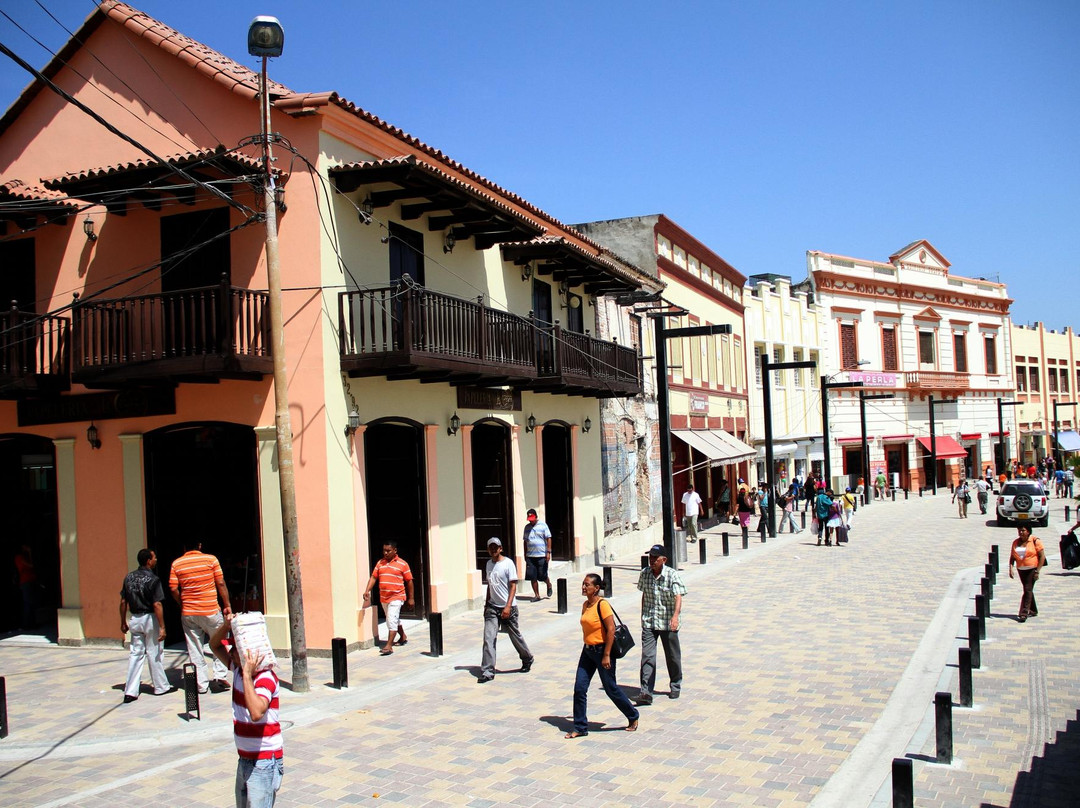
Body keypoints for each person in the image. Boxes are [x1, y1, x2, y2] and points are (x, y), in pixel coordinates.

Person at [210, 617, 284, 807]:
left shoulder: (265, 678)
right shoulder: (237, 670)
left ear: (245, 654)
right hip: (244, 759)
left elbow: (256, 712)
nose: (231, 652)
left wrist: (246, 675)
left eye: (235, 649)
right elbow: (214, 645)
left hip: (264, 762)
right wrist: (226, 626)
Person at [564, 573, 639, 739]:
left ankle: (633, 716)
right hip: (587, 651)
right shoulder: (585, 605)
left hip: (602, 651)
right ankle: (580, 726)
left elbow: (611, 629)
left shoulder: (602, 605)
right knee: (579, 688)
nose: (584, 587)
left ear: (596, 588)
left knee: (611, 688)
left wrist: (606, 655)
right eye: (583, 584)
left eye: (587, 585)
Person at [169, 538, 232, 694]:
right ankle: (219, 678)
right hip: (210, 609)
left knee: (194, 648)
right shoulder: (211, 560)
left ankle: (201, 684)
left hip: (189, 613)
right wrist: (227, 605)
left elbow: (172, 588)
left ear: (184, 547)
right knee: (219, 643)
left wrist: (181, 603)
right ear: (199, 545)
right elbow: (221, 583)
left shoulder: (176, 564)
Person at [119, 548, 175, 703]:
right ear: (148, 561)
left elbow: (123, 601)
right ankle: (160, 686)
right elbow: (157, 604)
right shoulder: (154, 580)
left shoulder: (129, 577)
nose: (156, 559)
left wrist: (122, 621)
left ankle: (130, 691)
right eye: (154, 557)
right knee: (154, 652)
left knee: (135, 654)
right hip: (150, 618)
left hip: (135, 618)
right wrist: (162, 626)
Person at [635, 544, 687, 704]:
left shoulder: (672, 575)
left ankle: (675, 684)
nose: (652, 561)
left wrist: (675, 616)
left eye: (655, 558)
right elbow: (644, 594)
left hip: (667, 621)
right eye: (650, 557)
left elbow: (678, 596)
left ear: (664, 560)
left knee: (672, 656)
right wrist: (643, 615)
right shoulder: (645, 574)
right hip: (650, 621)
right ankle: (646, 692)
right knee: (647, 656)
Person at [478, 537, 533, 682]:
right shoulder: (489, 564)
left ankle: (527, 658)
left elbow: (513, 586)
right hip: (492, 607)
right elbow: (491, 585)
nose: (493, 550)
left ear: (500, 548)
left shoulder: (508, 564)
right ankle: (488, 671)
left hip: (508, 607)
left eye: (496, 547)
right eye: (491, 548)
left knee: (515, 636)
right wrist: (486, 604)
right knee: (489, 638)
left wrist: (508, 606)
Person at [361, 541, 414, 655]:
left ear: (395, 551)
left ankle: (389, 645)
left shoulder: (402, 564)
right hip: (384, 597)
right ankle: (403, 636)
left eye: (388, 551)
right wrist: (367, 590)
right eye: (384, 550)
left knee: (391, 619)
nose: (386, 553)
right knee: (393, 618)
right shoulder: (380, 563)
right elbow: (374, 577)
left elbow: (409, 581)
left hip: (397, 596)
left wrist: (411, 598)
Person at [1008, 524, 1046, 622]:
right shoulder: (1015, 542)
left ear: (1028, 531)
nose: (1021, 532)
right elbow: (1012, 557)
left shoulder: (1035, 541)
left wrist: (1037, 571)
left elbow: (1042, 557)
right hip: (1021, 570)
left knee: (1027, 589)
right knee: (1027, 589)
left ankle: (1023, 613)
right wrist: (1010, 568)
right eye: (1019, 530)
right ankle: (1033, 610)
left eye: (1023, 530)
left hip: (1032, 569)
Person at [522, 508, 553, 599]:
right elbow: (525, 541)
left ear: (536, 517)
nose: (531, 521)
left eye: (532, 519)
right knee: (532, 576)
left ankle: (549, 584)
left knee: (542, 575)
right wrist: (525, 553)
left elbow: (549, 538)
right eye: (529, 519)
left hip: (541, 555)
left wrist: (548, 552)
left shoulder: (543, 526)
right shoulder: (527, 527)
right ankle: (537, 595)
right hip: (530, 556)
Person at [14, 543, 37, 630]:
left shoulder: (22, 557)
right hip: (26, 581)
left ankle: (31, 623)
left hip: (29, 580)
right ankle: (26, 624)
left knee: (31, 603)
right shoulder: (19, 557)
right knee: (28, 603)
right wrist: (30, 553)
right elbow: (31, 565)